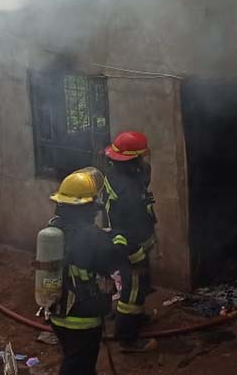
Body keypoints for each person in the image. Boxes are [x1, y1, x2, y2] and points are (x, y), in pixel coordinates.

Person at [45, 167, 131, 375]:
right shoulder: (93, 238)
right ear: (84, 207)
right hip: (83, 319)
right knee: (77, 366)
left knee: (78, 360)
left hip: (57, 314)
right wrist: (120, 237)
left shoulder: (54, 230)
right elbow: (115, 260)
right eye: (93, 204)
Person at [100, 130, 158, 353]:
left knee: (141, 284)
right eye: (140, 157)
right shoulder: (128, 190)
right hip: (131, 244)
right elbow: (133, 220)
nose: (144, 160)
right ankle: (127, 339)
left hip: (134, 240)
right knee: (133, 289)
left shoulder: (118, 175)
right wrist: (135, 250)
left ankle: (137, 318)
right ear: (132, 160)